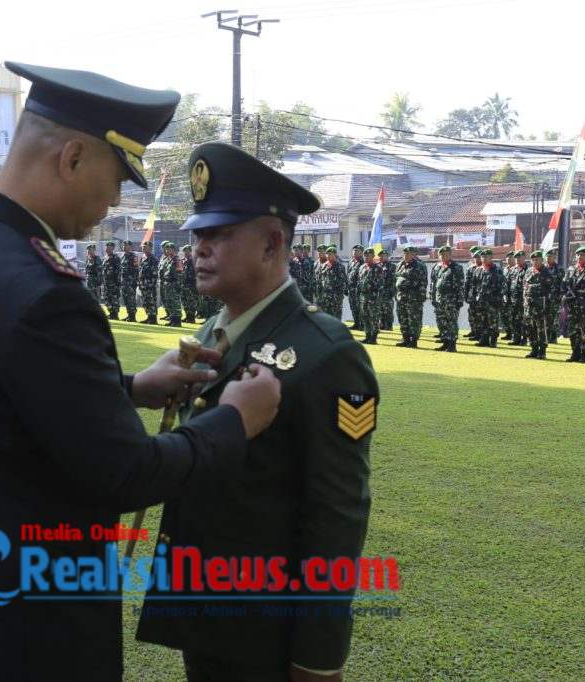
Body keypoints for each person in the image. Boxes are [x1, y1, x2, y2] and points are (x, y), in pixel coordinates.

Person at [0, 62, 282, 682]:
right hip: (28, 631)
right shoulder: (45, 292)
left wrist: (131, 389)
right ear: (71, 158)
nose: (115, 200)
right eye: (117, 178)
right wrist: (234, 421)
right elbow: (126, 473)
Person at [136, 141, 377, 682]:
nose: (199, 248)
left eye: (219, 234)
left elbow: (336, 520)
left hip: (264, 632)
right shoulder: (212, 333)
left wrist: (317, 659)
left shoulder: (328, 354)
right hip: (207, 609)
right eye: (197, 234)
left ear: (272, 243)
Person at [430, 244, 465, 352]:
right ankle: (445, 342)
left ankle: (452, 344)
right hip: (439, 299)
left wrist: (459, 300)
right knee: (441, 321)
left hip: (451, 300)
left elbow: (460, 285)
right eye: (441, 255)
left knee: (451, 322)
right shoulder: (437, 267)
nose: (443, 256)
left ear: (450, 255)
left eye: (446, 254)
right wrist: (432, 297)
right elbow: (433, 283)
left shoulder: (456, 267)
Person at [394, 245, 427, 348]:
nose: (406, 255)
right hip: (401, 297)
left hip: (414, 298)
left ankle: (413, 340)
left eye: (409, 254)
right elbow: (396, 279)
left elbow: (422, 283)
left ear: (414, 255)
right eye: (405, 253)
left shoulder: (419, 266)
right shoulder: (400, 265)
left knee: (414, 320)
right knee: (402, 319)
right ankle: (405, 338)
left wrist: (420, 297)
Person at [522, 250, 552, 360]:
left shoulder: (546, 272)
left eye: (537, 259)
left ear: (542, 260)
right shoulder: (529, 271)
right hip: (529, 305)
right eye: (533, 260)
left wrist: (547, 305)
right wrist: (525, 301)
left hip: (540, 306)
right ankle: (533, 349)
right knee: (530, 327)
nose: (535, 261)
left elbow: (549, 289)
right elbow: (525, 286)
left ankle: (542, 351)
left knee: (541, 328)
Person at [473, 249, 505, 347]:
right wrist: (474, 298)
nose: (484, 258)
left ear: (491, 257)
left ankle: (493, 341)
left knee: (493, 322)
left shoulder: (497, 270)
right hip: (481, 301)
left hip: (493, 301)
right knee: (482, 321)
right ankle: (484, 340)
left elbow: (501, 286)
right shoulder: (478, 270)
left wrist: (498, 299)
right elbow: (475, 285)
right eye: (482, 257)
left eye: (486, 257)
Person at [357, 246, 384, 344]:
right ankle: (367, 336)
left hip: (373, 297)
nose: (366, 257)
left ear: (373, 256)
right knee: (365, 317)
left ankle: (373, 337)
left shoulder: (378, 268)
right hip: (363, 296)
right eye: (365, 255)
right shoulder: (362, 267)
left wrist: (376, 297)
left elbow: (380, 284)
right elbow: (359, 281)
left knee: (374, 318)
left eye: (368, 255)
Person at [317, 246, 346, 320]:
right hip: (325, 296)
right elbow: (320, 280)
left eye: (330, 254)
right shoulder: (323, 266)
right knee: (326, 316)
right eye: (327, 254)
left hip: (335, 297)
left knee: (336, 316)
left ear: (335, 255)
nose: (328, 256)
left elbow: (342, 282)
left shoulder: (340, 266)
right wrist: (320, 293)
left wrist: (337, 294)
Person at [160, 241, 182, 326]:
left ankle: (177, 321)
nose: (167, 251)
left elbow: (180, 274)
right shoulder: (168, 260)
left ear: (173, 250)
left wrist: (178, 285)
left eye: (169, 249)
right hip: (167, 284)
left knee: (175, 303)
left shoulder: (177, 260)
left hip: (174, 284)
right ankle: (172, 320)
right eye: (166, 249)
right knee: (169, 303)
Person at [544, 247, 565, 342]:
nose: (549, 258)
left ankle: (553, 337)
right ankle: (546, 336)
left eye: (551, 256)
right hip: (544, 297)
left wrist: (561, 295)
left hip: (555, 297)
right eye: (547, 256)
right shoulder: (543, 269)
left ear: (554, 257)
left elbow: (563, 283)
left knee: (554, 318)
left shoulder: (559, 269)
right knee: (546, 317)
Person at [509, 251, 529, 346]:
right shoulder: (513, 269)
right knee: (514, 319)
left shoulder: (528, 270)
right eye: (516, 258)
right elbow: (509, 283)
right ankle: (515, 338)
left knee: (524, 320)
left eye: (519, 258)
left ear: (524, 258)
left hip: (523, 299)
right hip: (513, 298)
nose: (517, 259)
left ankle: (524, 339)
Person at [463, 246, 482, 339]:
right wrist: (466, 295)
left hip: (481, 296)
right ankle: (473, 331)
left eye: (478, 257)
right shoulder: (471, 268)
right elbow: (467, 283)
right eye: (475, 257)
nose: (477, 259)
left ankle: (479, 334)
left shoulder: (484, 268)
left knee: (480, 316)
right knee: (471, 314)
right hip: (472, 295)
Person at [137, 240, 157, 324]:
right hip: (143, 284)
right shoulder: (142, 258)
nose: (143, 248)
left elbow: (155, 273)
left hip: (150, 285)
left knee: (151, 302)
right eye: (143, 247)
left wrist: (152, 285)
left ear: (150, 248)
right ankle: (149, 317)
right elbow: (140, 271)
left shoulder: (153, 259)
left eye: (145, 247)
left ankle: (153, 318)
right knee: (145, 302)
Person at [120, 239, 140, 321]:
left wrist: (134, 282)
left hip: (131, 282)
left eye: (127, 245)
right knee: (125, 299)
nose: (125, 247)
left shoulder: (133, 256)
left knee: (131, 299)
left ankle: (132, 316)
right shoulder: (122, 256)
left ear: (131, 247)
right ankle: (129, 314)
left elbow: (136, 269)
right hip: (124, 281)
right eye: (124, 245)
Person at [346, 245, 364, 330]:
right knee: (353, 307)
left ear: (361, 252)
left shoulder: (363, 262)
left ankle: (362, 325)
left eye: (357, 251)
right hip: (351, 289)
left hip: (359, 290)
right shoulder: (351, 262)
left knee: (360, 308)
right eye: (354, 250)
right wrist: (346, 287)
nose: (355, 252)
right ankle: (356, 323)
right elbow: (348, 274)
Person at [102, 240, 121, 319]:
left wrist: (117, 284)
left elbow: (118, 272)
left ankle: (115, 314)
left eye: (109, 248)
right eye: (106, 248)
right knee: (107, 299)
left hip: (114, 284)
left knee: (114, 299)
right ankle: (111, 313)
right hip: (106, 283)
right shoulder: (105, 258)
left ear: (113, 248)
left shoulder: (116, 258)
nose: (107, 249)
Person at [180, 243, 198, 323]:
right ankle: (187, 316)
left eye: (187, 251)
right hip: (183, 285)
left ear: (190, 251)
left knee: (191, 302)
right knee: (184, 301)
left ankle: (191, 318)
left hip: (192, 285)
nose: (185, 253)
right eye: (184, 251)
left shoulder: (194, 261)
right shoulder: (183, 261)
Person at [501, 251, 517, 342]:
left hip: (514, 296)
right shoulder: (505, 270)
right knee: (505, 315)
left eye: (511, 258)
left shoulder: (516, 269)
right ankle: (508, 333)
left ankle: (515, 334)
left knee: (513, 316)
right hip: (505, 296)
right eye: (507, 258)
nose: (509, 260)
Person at [379, 249, 395, 331]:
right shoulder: (377, 266)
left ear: (387, 256)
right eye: (381, 256)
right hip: (379, 293)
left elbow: (394, 280)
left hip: (388, 293)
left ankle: (388, 327)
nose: (383, 257)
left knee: (388, 311)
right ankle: (381, 325)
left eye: (384, 256)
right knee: (380, 311)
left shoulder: (392, 266)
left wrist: (392, 291)